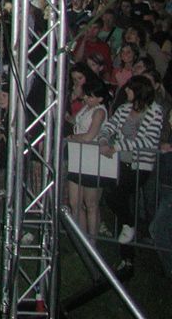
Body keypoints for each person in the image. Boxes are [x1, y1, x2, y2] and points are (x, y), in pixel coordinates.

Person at [98, 75, 165, 270]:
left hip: (139, 166)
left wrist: (117, 146)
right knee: (118, 201)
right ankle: (126, 256)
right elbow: (110, 125)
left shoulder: (155, 112)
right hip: (121, 163)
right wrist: (104, 139)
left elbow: (148, 141)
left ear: (138, 92)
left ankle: (129, 231)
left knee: (118, 196)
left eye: (129, 88)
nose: (126, 91)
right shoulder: (124, 109)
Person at [65, 78, 109, 242]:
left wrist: (72, 137)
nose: (86, 98)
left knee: (91, 204)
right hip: (78, 156)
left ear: (100, 98)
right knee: (75, 202)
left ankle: (93, 241)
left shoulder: (99, 112)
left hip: (92, 159)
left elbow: (90, 136)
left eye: (90, 96)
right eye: (86, 95)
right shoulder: (86, 108)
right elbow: (73, 120)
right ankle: (82, 239)